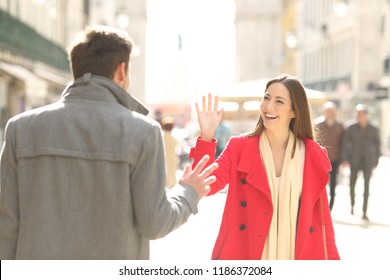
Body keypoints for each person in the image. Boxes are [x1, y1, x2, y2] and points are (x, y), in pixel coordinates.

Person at [0, 25, 218, 260]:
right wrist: (188, 193)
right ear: (122, 71)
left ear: (76, 68)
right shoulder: (142, 132)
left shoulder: (20, 129)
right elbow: (155, 222)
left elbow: (7, 226)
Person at [189, 74, 340, 260]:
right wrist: (206, 137)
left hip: (297, 256)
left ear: (294, 111)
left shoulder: (312, 154)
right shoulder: (239, 147)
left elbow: (322, 218)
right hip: (248, 255)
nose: (269, 106)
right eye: (266, 97)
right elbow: (205, 185)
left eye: (279, 101)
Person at [342, 104, 381, 220]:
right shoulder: (351, 127)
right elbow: (345, 144)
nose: (359, 116)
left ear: (366, 115)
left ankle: (364, 211)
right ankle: (352, 206)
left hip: (368, 162)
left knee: (366, 187)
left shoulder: (373, 129)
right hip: (354, 160)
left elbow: (377, 145)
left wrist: (376, 161)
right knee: (352, 185)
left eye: (362, 114)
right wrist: (346, 158)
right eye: (357, 114)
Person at [316, 101, 344, 210]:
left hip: (335, 159)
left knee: (333, 185)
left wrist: (343, 158)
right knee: (320, 184)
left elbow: (343, 143)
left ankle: (330, 207)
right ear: (324, 112)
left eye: (333, 111)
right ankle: (319, 206)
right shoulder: (318, 125)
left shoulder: (340, 126)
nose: (331, 113)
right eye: (328, 111)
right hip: (321, 160)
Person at [161, 116, 180, 188]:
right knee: (172, 172)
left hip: (163, 158)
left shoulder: (161, 137)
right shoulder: (173, 138)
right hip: (172, 158)